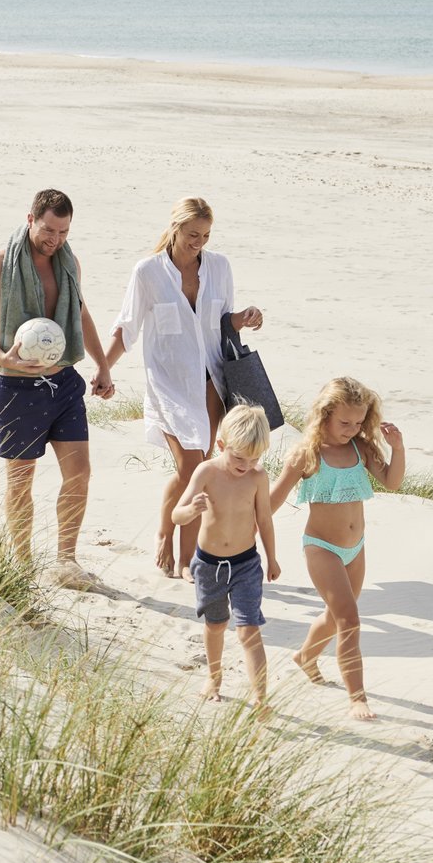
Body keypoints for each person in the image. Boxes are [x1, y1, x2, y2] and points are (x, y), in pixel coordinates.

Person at [0, 188, 115, 590]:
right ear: (30, 219)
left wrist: (102, 364)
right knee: (20, 479)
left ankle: (66, 561)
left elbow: (79, 312)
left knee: (80, 474)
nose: (55, 240)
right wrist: (3, 357)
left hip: (63, 382)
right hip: (16, 389)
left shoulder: (69, 263)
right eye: (49, 230)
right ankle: (22, 564)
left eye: (64, 232)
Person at [104, 197, 263, 580]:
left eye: (206, 235)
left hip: (212, 382)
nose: (199, 243)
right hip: (168, 383)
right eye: (193, 234)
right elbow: (127, 327)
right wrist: (103, 369)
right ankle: (185, 552)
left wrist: (242, 318)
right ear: (175, 228)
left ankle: (175, 542)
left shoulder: (220, 267)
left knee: (194, 467)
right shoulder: (148, 272)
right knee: (193, 467)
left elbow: (221, 322)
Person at [269, 377, 405, 721]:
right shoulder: (307, 454)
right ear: (324, 414)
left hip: (355, 548)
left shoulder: (362, 448)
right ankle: (357, 698)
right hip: (322, 548)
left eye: (359, 422)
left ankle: (305, 657)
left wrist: (398, 448)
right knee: (349, 619)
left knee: (335, 617)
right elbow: (271, 502)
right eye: (345, 422)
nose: (352, 428)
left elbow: (392, 481)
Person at [172, 404, 281, 709]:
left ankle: (261, 697)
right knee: (216, 625)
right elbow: (177, 515)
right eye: (239, 457)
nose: (246, 465)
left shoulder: (257, 477)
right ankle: (214, 677)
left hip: (246, 564)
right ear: (221, 445)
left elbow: (265, 520)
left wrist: (272, 558)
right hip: (209, 566)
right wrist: (191, 509)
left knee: (248, 628)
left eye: (255, 458)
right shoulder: (206, 471)